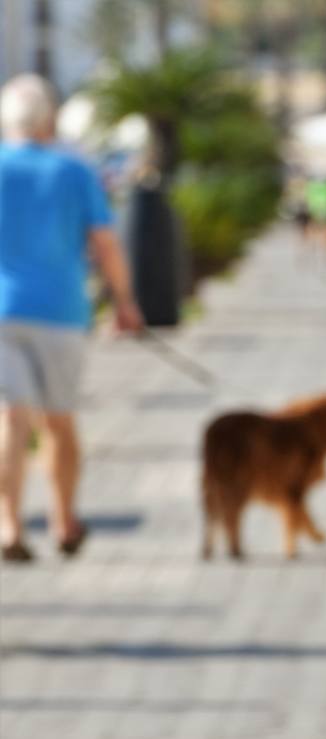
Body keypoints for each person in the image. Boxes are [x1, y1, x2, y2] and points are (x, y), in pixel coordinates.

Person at [0, 74, 143, 562]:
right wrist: (124, 301)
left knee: (10, 420)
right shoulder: (73, 169)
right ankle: (63, 520)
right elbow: (105, 242)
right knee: (58, 421)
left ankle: (9, 524)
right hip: (60, 311)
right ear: (49, 118)